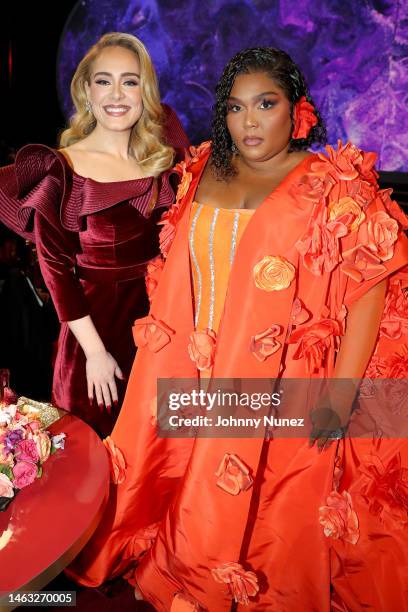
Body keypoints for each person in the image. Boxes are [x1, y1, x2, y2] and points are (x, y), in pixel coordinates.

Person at [68, 48, 408, 610]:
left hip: (282, 381)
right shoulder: (204, 170)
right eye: (235, 107)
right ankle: (192, 571)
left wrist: (343, 394)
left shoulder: (331, 183)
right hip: (199, 370)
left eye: (265, 104)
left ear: (297, 110)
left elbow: (370, 286)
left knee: (266, 509)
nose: (249, 121)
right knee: (191, 491)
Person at [0, 32, 189, 436]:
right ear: (87, 90)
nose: (116, 94)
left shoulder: (163, 159)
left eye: (130, 81)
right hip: (95, 338)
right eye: (104, 80)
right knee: (93, 461)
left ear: (145, 91)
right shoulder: (63, 169)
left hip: (159, 332)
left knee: (152, 459)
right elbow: (56, 271)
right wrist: (94, 352)